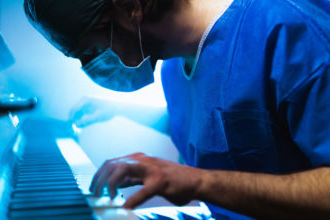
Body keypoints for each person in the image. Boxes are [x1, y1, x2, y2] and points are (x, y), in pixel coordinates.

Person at [23, 0, 330, 219]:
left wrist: (198, 181)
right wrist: (119, 109)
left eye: (91, 52)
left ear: (130, 7)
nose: (92, 66)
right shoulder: (172, 63)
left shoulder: (288, 32)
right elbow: (215, 128)